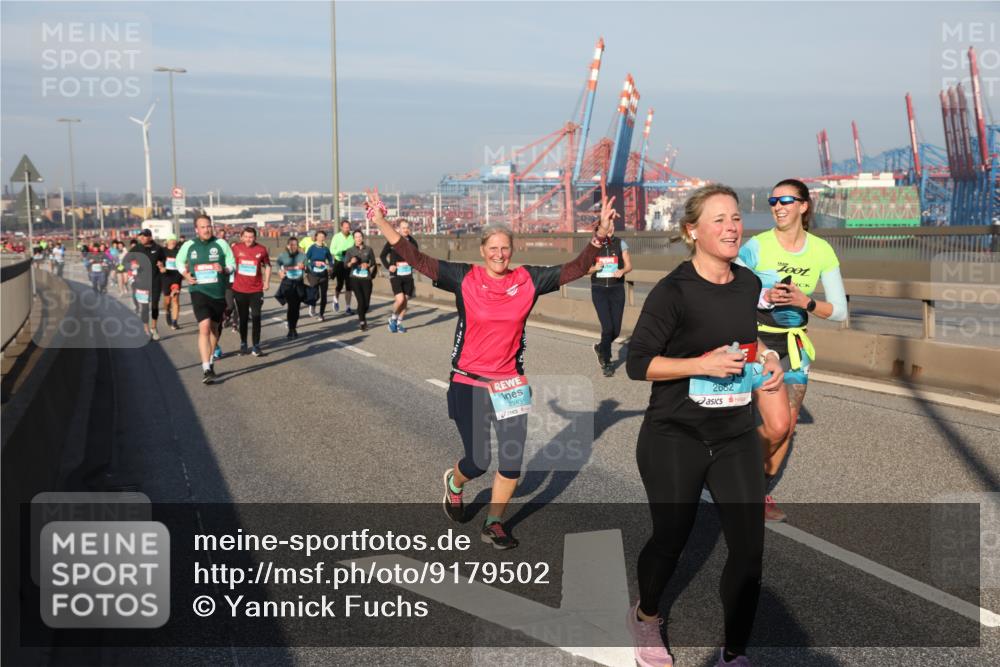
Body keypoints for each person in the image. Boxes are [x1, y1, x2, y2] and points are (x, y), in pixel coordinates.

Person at [366, 187, 616, 549]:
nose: (499, 254)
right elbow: (416, 259)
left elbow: (576, 268)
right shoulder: (464, 277)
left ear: (511, 251)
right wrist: (381, 222)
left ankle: (495, 521)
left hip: (510, 384)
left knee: (512, 462)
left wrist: (599, 237)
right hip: (469, 381)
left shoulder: (527, 280)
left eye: (505, 248)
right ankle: (455, 481)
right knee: (479, 461)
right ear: (482, 251)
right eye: (492, 248)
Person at [625, 184, 784, 667]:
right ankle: (647, 616)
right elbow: (637, 363)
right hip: (675, 434)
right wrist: (700, 364)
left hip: (734, 434)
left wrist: (769, 360)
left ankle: (734, 654)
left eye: (735, 217)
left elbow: (747, 343)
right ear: (692, 231)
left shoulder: (748, 284)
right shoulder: (673, 291)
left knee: (749, 550)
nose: (732, 226)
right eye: (718, 219)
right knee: (672, 537)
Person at [737, 178, 847, 522]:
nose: (778, 207)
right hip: (757, 341)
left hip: (795, 345)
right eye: (773, 201)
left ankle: (758, 491)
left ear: (803, 206)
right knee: (776, 423)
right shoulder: (757, 246)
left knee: (787, 425)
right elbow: (729, 287)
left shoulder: (821, 251)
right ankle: (736, 472)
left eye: (786, 200)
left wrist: (805, 301)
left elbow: (840, 311)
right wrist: (763, 296)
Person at [176, 214, 236, 383]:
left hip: (218, 292)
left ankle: (210, 360)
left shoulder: (221, 244)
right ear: (196, 229)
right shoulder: (189, 245)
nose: (207, 229)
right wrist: (186, 274)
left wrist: (223, 269)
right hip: (198, 290)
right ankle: (206, 368)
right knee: (204, 326)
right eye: (203, 227)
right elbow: (179, 262)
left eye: (209, 226)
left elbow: (232, 265)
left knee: (215, 329)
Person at [589, 224, 632, 376]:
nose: (610, 229)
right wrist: (595, 268)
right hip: (599, 290)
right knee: (607, 328)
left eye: (612, 227)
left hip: (617, 289)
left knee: (616, 330)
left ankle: (601, 347)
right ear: (599, 229)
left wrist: (622, 270)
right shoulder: (593, 246)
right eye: (607, 227)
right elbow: (584, 269)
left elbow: (629, 266)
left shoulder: (621, 243)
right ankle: (607, 362)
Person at [231, 226, 271, 356]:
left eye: (251, 237)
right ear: (242, 237)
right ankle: (243, 343)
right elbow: (229, 264)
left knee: (256, 317)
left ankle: (256, 345)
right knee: (243, 318)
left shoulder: (261, 249)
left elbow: (268, 266)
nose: (249, 239)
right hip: (239, 289)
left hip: (256, 290)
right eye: (246, 237)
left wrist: (266, 281)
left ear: (255, 237)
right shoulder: (235, 248)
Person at [125, 230, 166, 341]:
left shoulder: (158, 248)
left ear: (150, 237)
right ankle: (146, 329)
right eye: (140, 236)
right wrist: (132, 265)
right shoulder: (137, 248)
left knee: (155, 306)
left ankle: (154, 327)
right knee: (144, 308)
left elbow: (164, 259)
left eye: (144, 236)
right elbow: (125, 261)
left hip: (156, 281)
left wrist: (162, 265)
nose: (142, 238)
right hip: (142, 283)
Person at [380, 218, 419, 333]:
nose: (406, 230)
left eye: (407, 228)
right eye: (403, 228)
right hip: (396, 274)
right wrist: (388, 266)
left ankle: (399, 322)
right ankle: (392, 318)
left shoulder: (413, 242)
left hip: (408, 274)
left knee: (405, 301)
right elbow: (382, 256)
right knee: (400, 299)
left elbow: (416, 257)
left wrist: (414, 264)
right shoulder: (392, 240)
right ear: (399, 229)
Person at [343, 229, 377, 331]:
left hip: (366, 278)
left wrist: (368, 264)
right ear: (353, 239)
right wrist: (351, 262)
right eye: (356, 237)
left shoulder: (369, 249)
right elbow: (345, 265)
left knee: (366, 303)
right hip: (355, 278)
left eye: (360, 237)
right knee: (360, 301)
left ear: (362, 238)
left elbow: (373, 262)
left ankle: (362, 314)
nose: (358, 239)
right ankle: (362, 322)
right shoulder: (350, 250)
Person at [274, 237, 307, 339]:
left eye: (295, 245)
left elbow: (308, 267)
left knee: (296, 308)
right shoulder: (283, 256)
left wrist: (304, 267)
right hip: (288, 284)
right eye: (291, 245)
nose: (293, 247)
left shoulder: (302, 256)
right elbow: (277, 263)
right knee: (291, 307)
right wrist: (280, 271)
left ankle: (294, 327)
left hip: (299, 284)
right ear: (288, 246)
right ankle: (290, 329)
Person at [304, 230, 334, 320]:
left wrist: (331, 267)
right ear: (316, 237)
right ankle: (312, 306)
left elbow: (330, 260)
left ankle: (321, 314)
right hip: (313, 274)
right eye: (320, 236)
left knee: (324, 295)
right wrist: (313, 264)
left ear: (325, 238)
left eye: (323, 236)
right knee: (315, 294)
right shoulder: (312, 248)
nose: (321, 238)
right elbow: (305, 260)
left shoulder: (325, 249)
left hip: (323, 274)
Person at [330, 219, 355, 314]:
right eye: (345, 227)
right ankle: (335, 299)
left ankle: (348, 307)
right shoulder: (336, 237)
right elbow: (332, 250)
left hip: (350, 263)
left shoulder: (352, 237)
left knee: (349, 286)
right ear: (341, 227)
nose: (347, 229)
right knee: (340, 284)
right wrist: (342, 252)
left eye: (348, 227)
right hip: (339, 262)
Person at [161, 234, 184, 330]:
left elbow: (184, 262)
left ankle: (174, 322)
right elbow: (158, 262)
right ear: (167, 241)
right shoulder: (162, 251)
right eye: (171, 240)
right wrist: (161, 267)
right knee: (167, 300)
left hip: (176, 277)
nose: (173, 242)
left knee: (175, 299)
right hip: (166, 277)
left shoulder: (179, 251)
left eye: (175, 240)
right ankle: (167, 312)